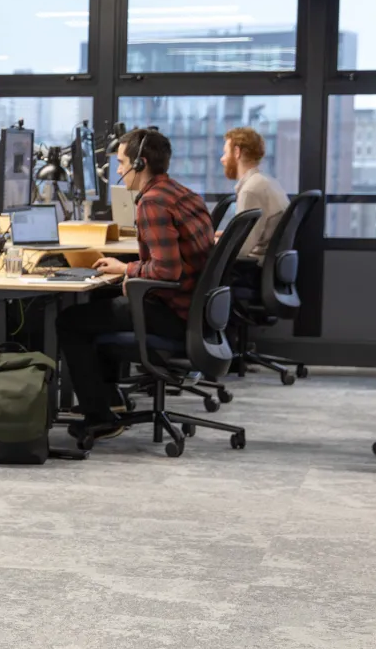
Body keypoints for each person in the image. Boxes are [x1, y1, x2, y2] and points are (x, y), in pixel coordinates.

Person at [57, 129, 215, 443]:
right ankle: (110, 398)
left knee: (71, 322)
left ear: (139, 164)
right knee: (104, 302)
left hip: (172, 312)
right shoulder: (184, 194)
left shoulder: (152, 203)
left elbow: (167, 270)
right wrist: (127, 272)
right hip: (195, 310)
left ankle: (100, 418)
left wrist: (126, 268)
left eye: (121, 162)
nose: (117, 170)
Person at [222, 126, 288, 289]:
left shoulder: (251, 189)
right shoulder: (267, 182)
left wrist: (214, 246)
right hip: (269, 268)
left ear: (236, 152)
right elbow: (257, 232)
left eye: (225, 152)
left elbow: (241, 249)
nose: (222, 159)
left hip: (252, 271)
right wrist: (224, 236)